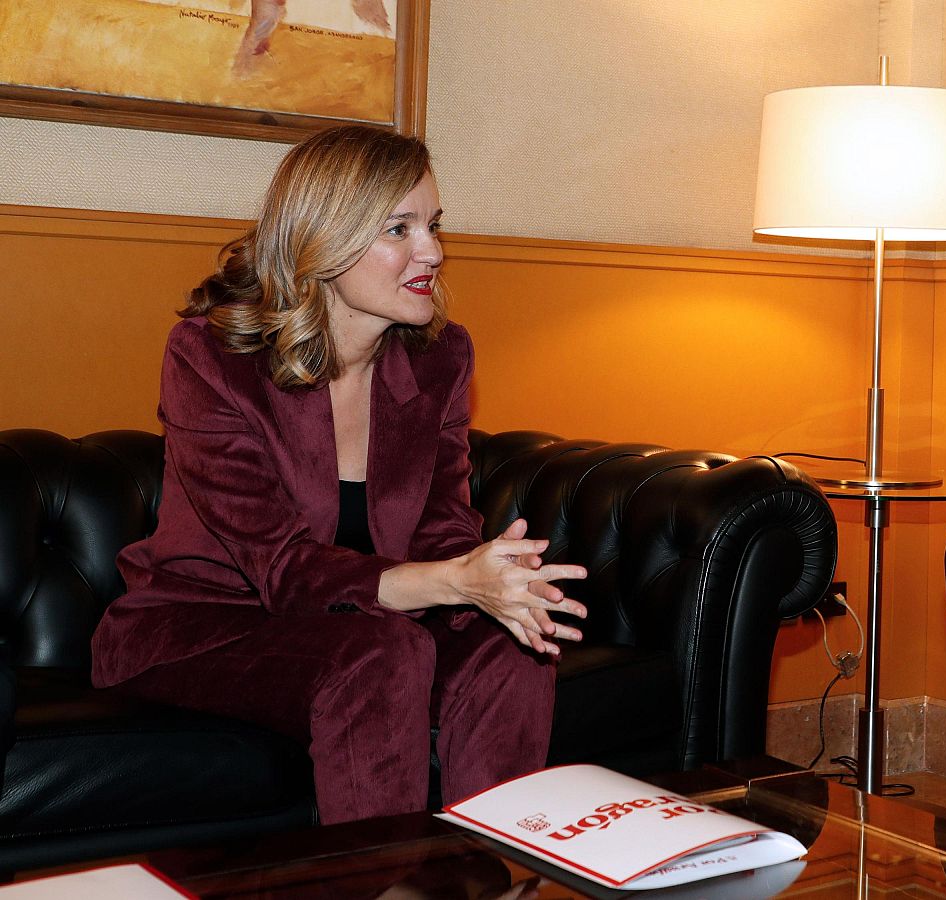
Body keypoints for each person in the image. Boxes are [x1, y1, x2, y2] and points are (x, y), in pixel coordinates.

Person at [90, 125, 588, 825]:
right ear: (323, 241)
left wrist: (493, 577)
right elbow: (283, 569)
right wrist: (450, 581)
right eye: (399, 229)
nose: (434, 251)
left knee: (514, 645)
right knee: (378, 653)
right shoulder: (211, 358)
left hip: (375, 627)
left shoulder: (439, 357)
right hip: (205, 627)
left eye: (434, 225)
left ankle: (494, 870)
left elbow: (444, 524)